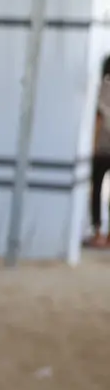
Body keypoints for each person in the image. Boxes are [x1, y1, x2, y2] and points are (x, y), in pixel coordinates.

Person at [90, 55, 110, 248]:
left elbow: (98, 118)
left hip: (102, 149)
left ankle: (98, 234)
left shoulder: (103, 88)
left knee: (96, 191)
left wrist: (92, 146)